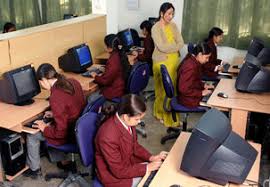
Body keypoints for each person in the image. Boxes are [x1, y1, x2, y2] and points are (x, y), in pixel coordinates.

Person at [24, 63, 86, 178]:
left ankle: (34, 169)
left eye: (40, 82)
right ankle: (64, 162)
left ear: (43, 80)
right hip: (81, 127)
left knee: (32, 136)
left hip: (71, 134)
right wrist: (55, 113)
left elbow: (60, 132)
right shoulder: (73, 81)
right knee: (51, 124)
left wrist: (44, 128)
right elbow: (73, 106)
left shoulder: (56, 96)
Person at [95, 94, 168, 187]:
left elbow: (135, 146)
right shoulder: (107, 136)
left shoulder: (126, 122)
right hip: (115, 176)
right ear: (126, 116)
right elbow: (119, 171)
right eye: (137, 119)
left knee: (158, 171)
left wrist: (151, 157)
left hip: (127, 163)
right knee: (153, 182)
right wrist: (147, 167)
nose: (139, 122)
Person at [151, 2, 184, 127]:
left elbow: (181, 42)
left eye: (172, 14)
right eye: (169, 14)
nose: (171, 16)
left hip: (174, 61)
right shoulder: (155, 28)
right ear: (162, 13)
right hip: (161, 61)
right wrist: (174, 47)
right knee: (161, 90)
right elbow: (161, 47)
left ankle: (170, 117)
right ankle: (161, 115)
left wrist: (174, 47)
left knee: (172, 91)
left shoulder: (174, 26)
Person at [177, 43, 214, 108]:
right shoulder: (190, 66)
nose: (207, 60)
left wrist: (203, 85)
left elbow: (194, 80)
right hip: (187, 99)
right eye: (207, 57)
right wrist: (201, 93)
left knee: (213, 95)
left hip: (190, 94)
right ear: (199, 54)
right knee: (215, 104)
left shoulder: (194, 61)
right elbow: (183, 89)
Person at [90, 34, 125, 100]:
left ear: (109, 47)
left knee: (90, 98)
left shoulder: (113, 60)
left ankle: (100, 109)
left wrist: (95, 76)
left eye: (105, 45)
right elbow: (115, 71)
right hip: (120, 85)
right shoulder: (120, 53)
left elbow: (105, 81)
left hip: (115, 90)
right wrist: (106, 70)